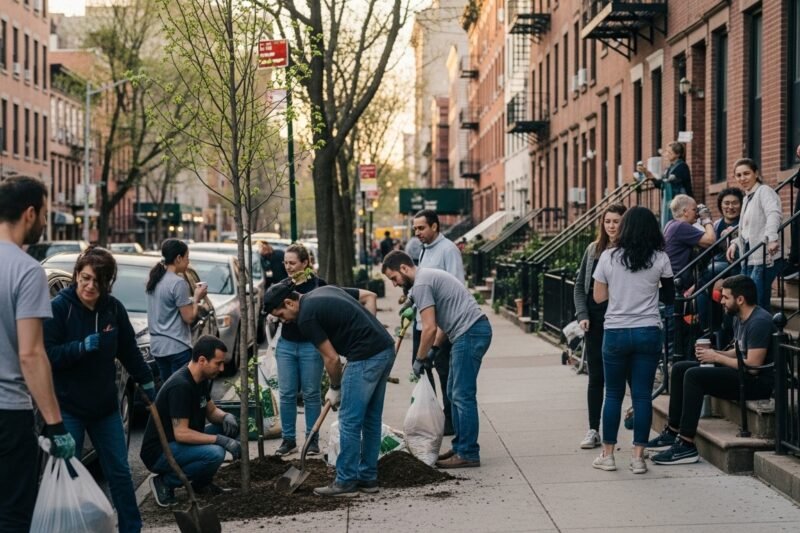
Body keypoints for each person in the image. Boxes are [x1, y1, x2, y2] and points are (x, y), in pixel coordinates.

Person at [44, 247, 156, 533]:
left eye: (97, 280)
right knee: (68, 475)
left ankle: (131, 527)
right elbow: (47, 354)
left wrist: (147, 382)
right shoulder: (60, 308)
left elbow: (129, 350)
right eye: (85, 278)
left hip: (105, 408)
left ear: (107, 283)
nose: (90, 285)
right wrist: (79, 348)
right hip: (68, 407)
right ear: (76, 277)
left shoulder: (113, 309)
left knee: (119, 471)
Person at [263, 282, 395, 496]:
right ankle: (368, 478)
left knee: (349, 420)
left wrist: (335, 387)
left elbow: (331, 359)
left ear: (289, 302)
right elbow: (366, 297)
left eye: (281, 314)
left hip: (364, 356)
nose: (283, 320)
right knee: (370, 418)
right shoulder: (322, 292)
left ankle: (345, 481)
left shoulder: (306, 317)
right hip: (384, 348)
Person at [0, 177, 75, 532]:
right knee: (14, 515)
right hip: (8, 414)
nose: (45, 221)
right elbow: (31, 355)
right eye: (44, 213)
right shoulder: (27, 270)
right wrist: (56, 424)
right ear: (30, 213)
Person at [647, 275, 776, 465]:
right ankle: (672, 431)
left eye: (725, 297)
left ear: (740, 299)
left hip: (756, 384)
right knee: (681, 368)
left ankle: (686, 444)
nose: (721, 301)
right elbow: (740, 351)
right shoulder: (739, 317)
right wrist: (714, 352)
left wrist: (716, 358)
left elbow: (753, 367)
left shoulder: (759, 321)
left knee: (694, 376)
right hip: (742, 375)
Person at [382, 251, 492, 469]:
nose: (394, 284)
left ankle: (468, 452)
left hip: (470, 333)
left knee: (462, 394)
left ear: (404, 268)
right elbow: (445, 321)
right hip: (468, 331)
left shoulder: (422, 284)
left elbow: (429, 327)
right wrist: (434, 349)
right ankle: (461, 446)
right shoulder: (425, 280)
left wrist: (420, 358)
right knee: (453, 392)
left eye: (394, 278)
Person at [271, 243, 378, 457]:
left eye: (292, 263)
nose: (289, 267)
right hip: (287, 345)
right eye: (286, 263)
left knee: (311, 393)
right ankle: (288, 439)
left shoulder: (318, 286)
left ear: (305, 263)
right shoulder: (282, 287)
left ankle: (312, 440)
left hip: (311, 346)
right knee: (286, 393)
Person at [592, 206, 674, 475]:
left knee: (613, 394)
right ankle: (638, 457)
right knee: (641, 395)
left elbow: (598, 298)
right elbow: (670, 297)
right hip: (648, 330)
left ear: (625, 227)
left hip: (615, 331)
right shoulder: (660, 258)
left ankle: (608, 454)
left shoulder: (608, 257)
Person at [140, 335, 241, 507]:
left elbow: (211, 412)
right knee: (215, 453)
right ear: (202, 360)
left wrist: (225, 417)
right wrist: (220, 440)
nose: (222, 368)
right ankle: (165, 482)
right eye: (218, 363)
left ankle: (201, 484)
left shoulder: (200, 379)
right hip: (160, 451)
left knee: (228, 428)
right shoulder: (181, 386)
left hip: (179, 443)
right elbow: (181, 434)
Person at [573, 203, 626, 449]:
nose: (612, 226)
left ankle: (631, 428)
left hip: (622, 320)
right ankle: (593, 429)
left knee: (624, 376)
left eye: (616, 221)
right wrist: (582, 314)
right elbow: (578, 286)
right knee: (597, 377)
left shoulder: (630, 252)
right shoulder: (593, 250)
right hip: (595, 322)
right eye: (608, 221)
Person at [411, 208, 465, 436]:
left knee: (444, 373)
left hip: (440, 327)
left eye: (421, 228)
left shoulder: (448, 250)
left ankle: (450, 421)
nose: (417, 233)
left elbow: (457, 289)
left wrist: (441, 335)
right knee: (421, 371)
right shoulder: (423, 250)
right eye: (415, 229)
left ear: (435, 226)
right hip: (420, 323)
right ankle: (433, 418)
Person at [146, 239, 208, 380]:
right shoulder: (179, 283)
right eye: (187, 258)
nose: (188, 262)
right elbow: (189, 318)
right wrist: (197, 298)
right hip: (177, 347)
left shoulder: (154, 280)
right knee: (180, 391)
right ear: (178, 258)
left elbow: (167, 307)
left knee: (167, 390)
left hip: (158, 348)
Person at [726, 158, 783, 311]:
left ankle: (764, 334)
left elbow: (774, 214)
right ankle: (765, 333)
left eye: (746, 173)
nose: (742, 178)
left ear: (756, 173)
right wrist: (734, 243)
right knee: (755, 302)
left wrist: (772, 239)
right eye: (738, 175)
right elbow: (747, 231)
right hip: (749, 258)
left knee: (754, 303)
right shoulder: (747, 198)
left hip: (764, 257)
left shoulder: (764, 191)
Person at [695, 187, 743, 331]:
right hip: (715, 273)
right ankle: (711, 332)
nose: (730, 207)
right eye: (726, 203)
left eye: (735, 203)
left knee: (712, 274)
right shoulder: (716, 225)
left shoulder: (744, 223)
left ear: (741, 205)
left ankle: (725, 333)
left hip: (734, 269)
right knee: (703, 297)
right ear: (721, 205)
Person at [637, 141, 693, 227]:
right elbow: (661, 184)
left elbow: (668, 183)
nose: (666, 154)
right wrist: (647, 173)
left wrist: (650, 175)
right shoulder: (669, 168)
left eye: (669, 152)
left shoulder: (682, 167)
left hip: (681, 205)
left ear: (677, 154)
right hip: (671, 204)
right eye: (666, 151)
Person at [664, 194, 717, 280]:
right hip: (678, 279)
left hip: (673, 277)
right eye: (694, 210)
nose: (697, 213)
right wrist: (706, 219)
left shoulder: (671, 224)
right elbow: (711, 240)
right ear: (685, 211)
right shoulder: (681, 226)